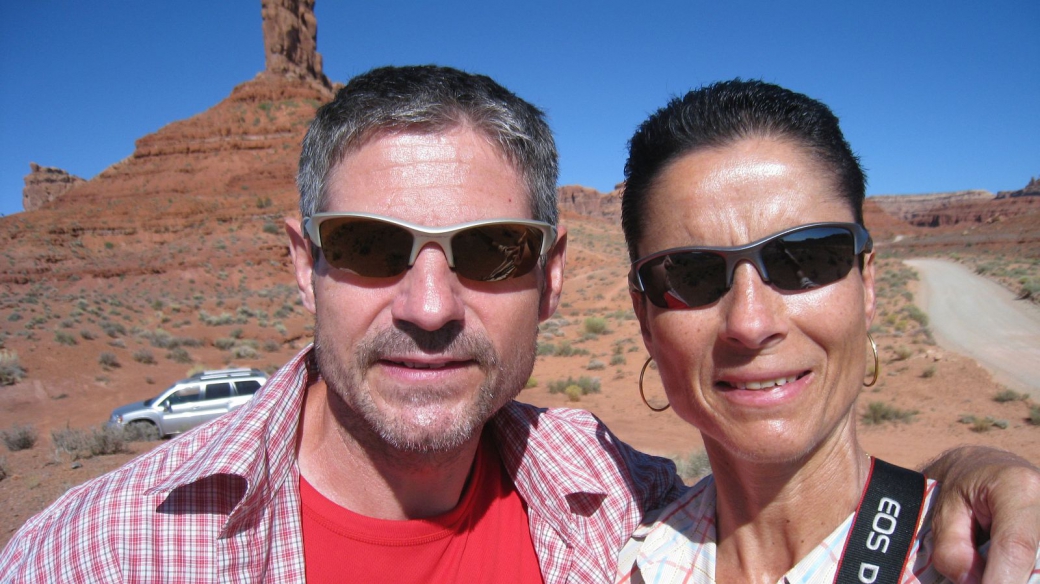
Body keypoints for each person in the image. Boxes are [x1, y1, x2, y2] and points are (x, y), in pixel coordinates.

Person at [0, 66, 1036, 583]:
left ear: (548, 279)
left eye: (490, 250)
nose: (430, 304)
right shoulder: (103, 551)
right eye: (368, 245)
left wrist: (969, 474)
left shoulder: (599, 500)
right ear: (301, 265)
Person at [615, 79, 1040, 583]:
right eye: (690, 275)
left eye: (806, 259)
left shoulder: (989, 561)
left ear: (867, 284)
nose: (751, 324)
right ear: (644, 318)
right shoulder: (620, 559)